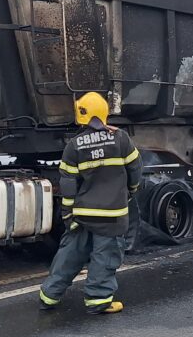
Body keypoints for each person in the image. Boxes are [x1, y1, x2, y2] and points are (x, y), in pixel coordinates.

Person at [40, 92, 143, 314]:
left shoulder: (74, 146)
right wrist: (131, 191)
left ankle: (49, 294)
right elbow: (135, 170)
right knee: (105, 256)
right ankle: (99, 299)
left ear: (81, 115)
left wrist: (68, 213)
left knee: (70, 253)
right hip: (112, 215)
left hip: (83, 214)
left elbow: (67, 184)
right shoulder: (121, 138)